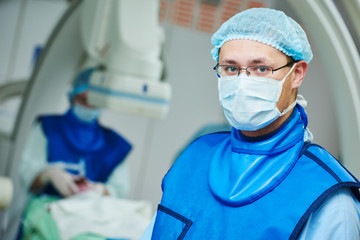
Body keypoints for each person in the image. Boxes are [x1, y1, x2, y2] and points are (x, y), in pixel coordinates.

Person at [144, 8, 360, 239]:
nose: (242, 83)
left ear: (297, 73)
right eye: (231, 68)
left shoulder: (328, 199)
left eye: (261, 69)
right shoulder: (195, 158)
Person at [18, 66, 132, 238]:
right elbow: (27, 176)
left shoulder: (114, 144)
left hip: (90, 214)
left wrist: (100, 190)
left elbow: (119, 188)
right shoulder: (48, 128)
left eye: (96, 101)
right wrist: (50, 174)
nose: (90, 106)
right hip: (47, 208)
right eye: (84, 99)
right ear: (73, 96)